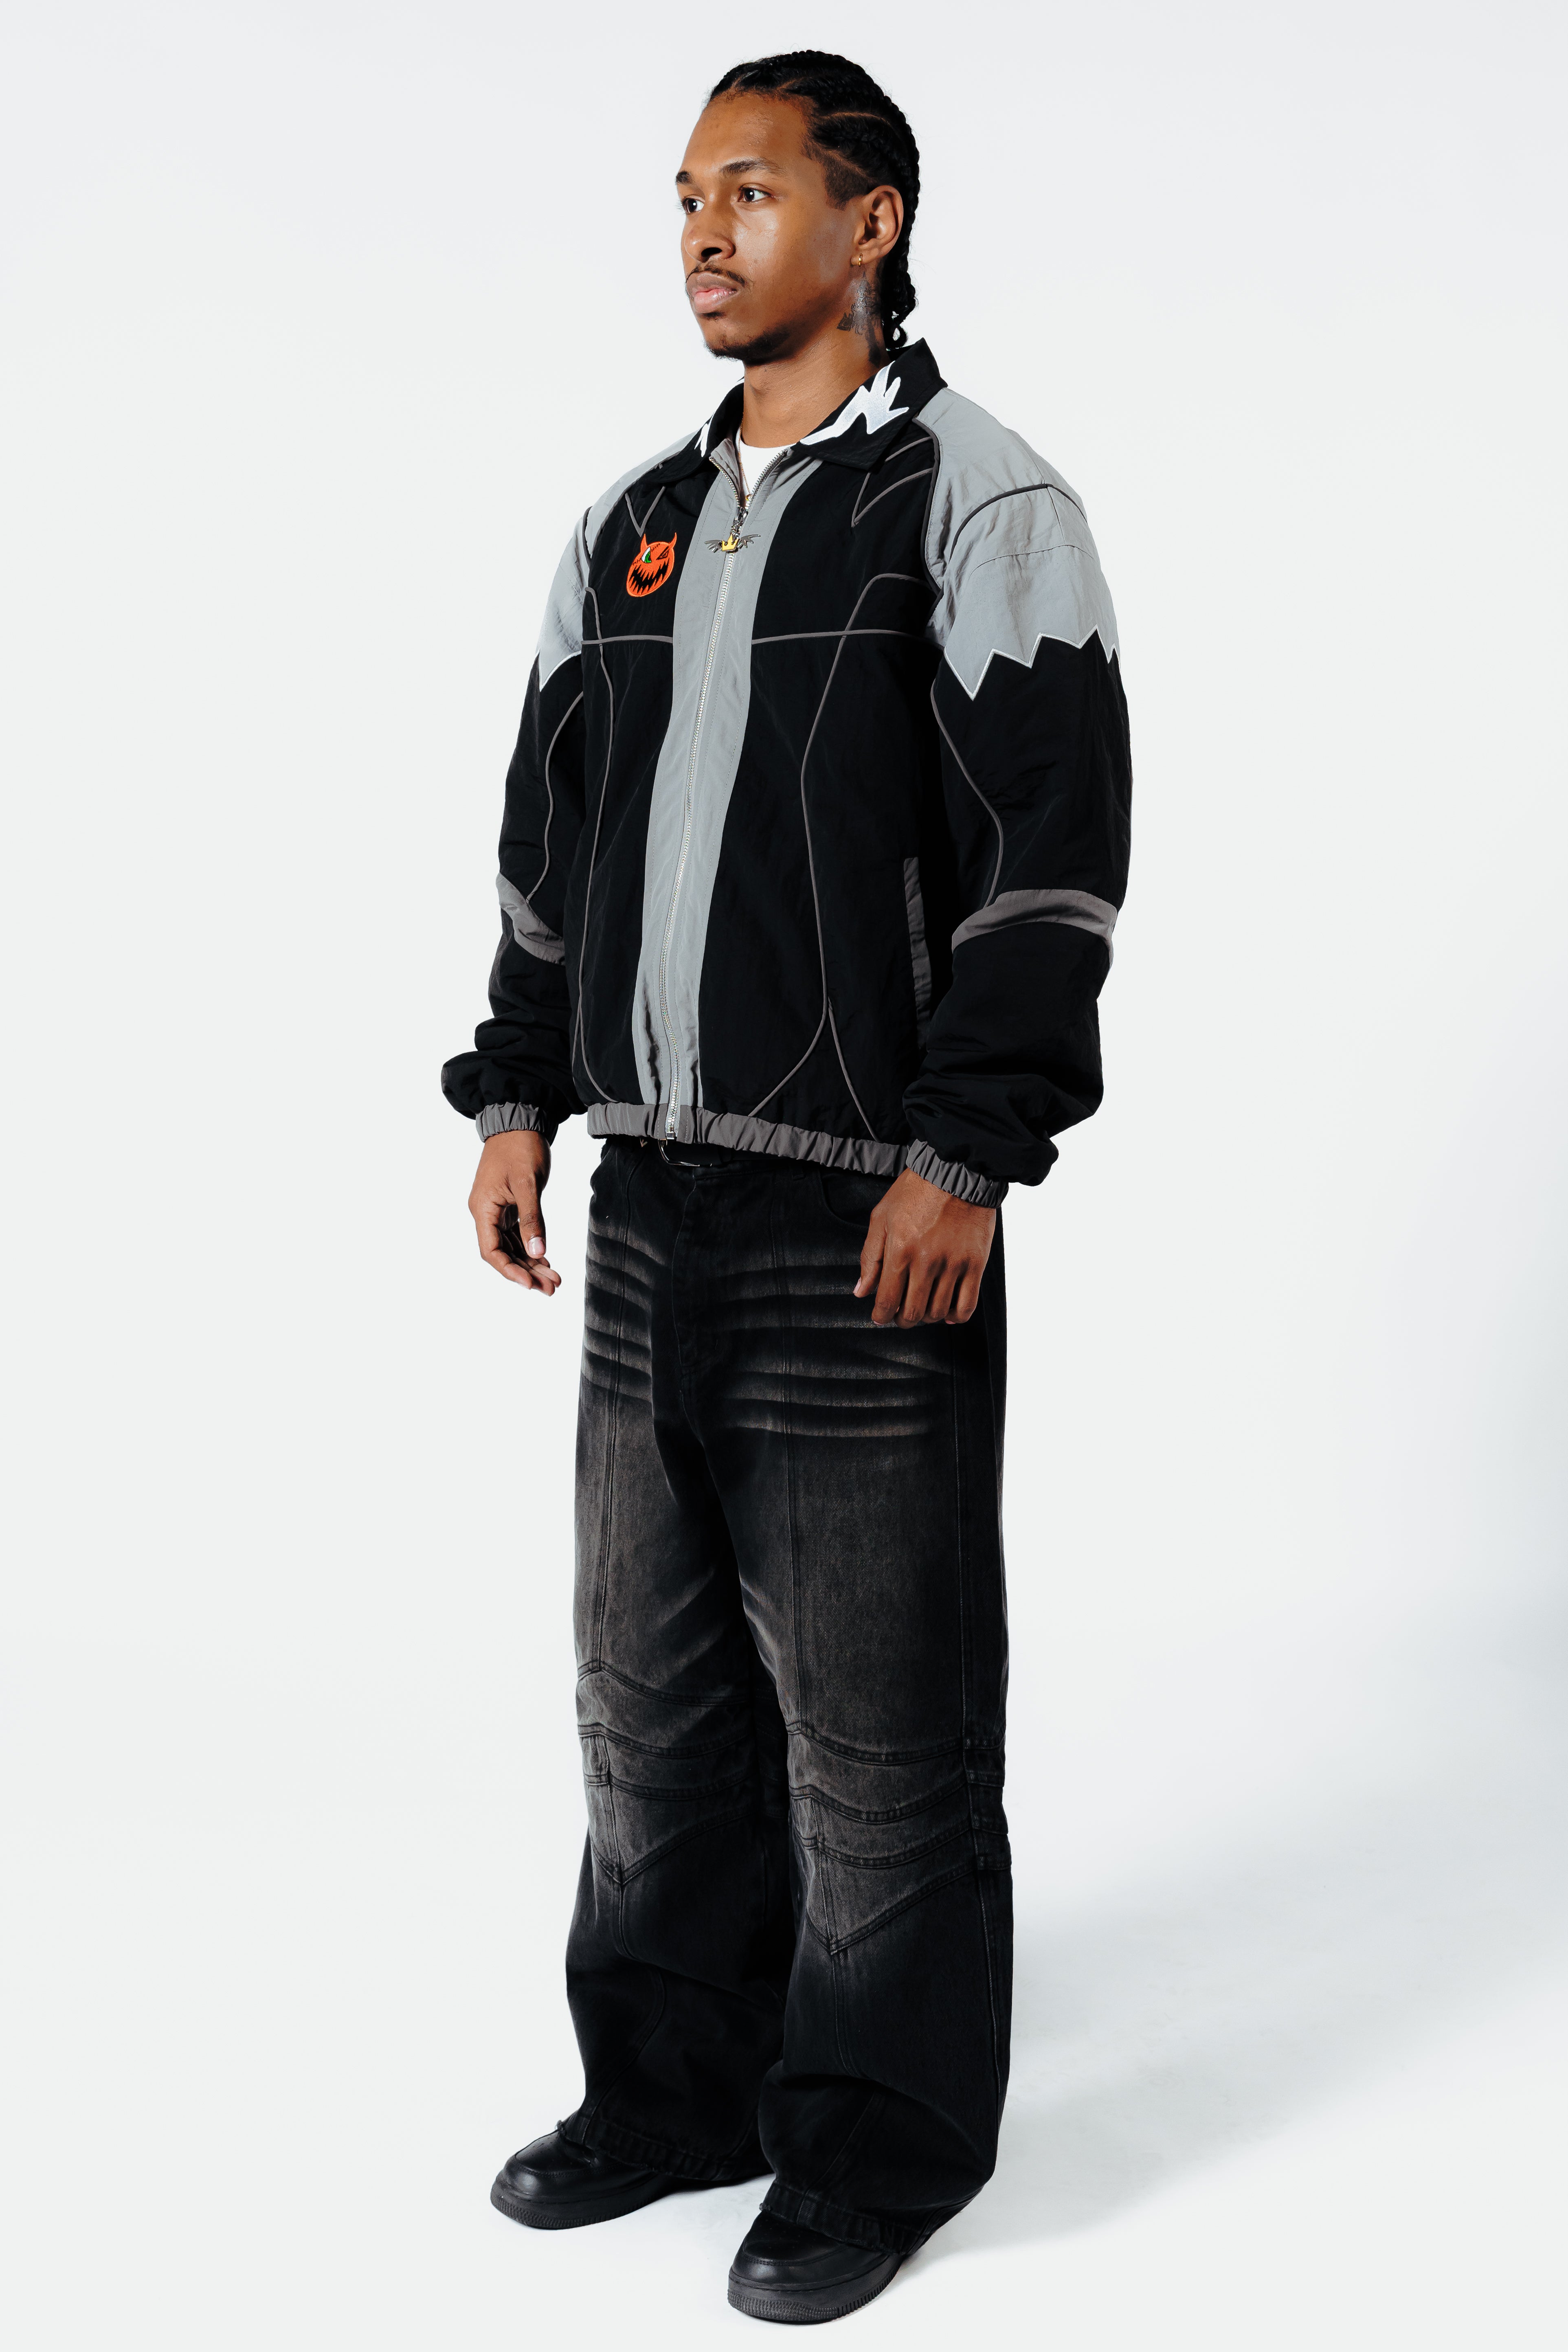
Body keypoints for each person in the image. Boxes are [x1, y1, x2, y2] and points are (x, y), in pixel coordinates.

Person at [441, 49, 1132, 2325]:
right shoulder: (632, 526)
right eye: (683, 198)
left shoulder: (977, 504)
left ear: (874, 220)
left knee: (881, 1736)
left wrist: (971, 1151)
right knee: (647, 1707)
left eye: (750, 191)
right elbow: (553, 844)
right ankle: (672, 2090)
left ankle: (876, 2143)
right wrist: (520, 1098)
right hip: (652, 1208)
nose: (705, 235)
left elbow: (1052, 859)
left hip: (867, 1215)